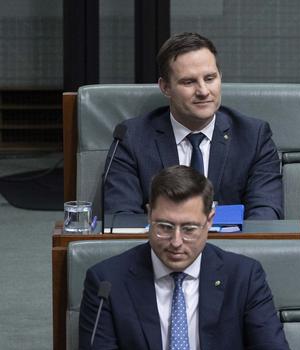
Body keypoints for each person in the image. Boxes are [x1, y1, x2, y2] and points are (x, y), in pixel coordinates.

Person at [79, 165, 297, 350]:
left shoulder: (244, 277)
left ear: (210, 220)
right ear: (149, 214)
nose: (176, 242)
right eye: (164, 227)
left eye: (189, 229)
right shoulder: (107, 282)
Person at [103, 32, 283, 219]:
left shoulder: (253, 137)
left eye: (210, 78)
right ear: (165, 87)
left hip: (233, 247)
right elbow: (121, 217)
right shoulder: (131, 138)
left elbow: (266, 214)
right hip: (163, 247)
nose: (203, 91)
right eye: (189, 82)